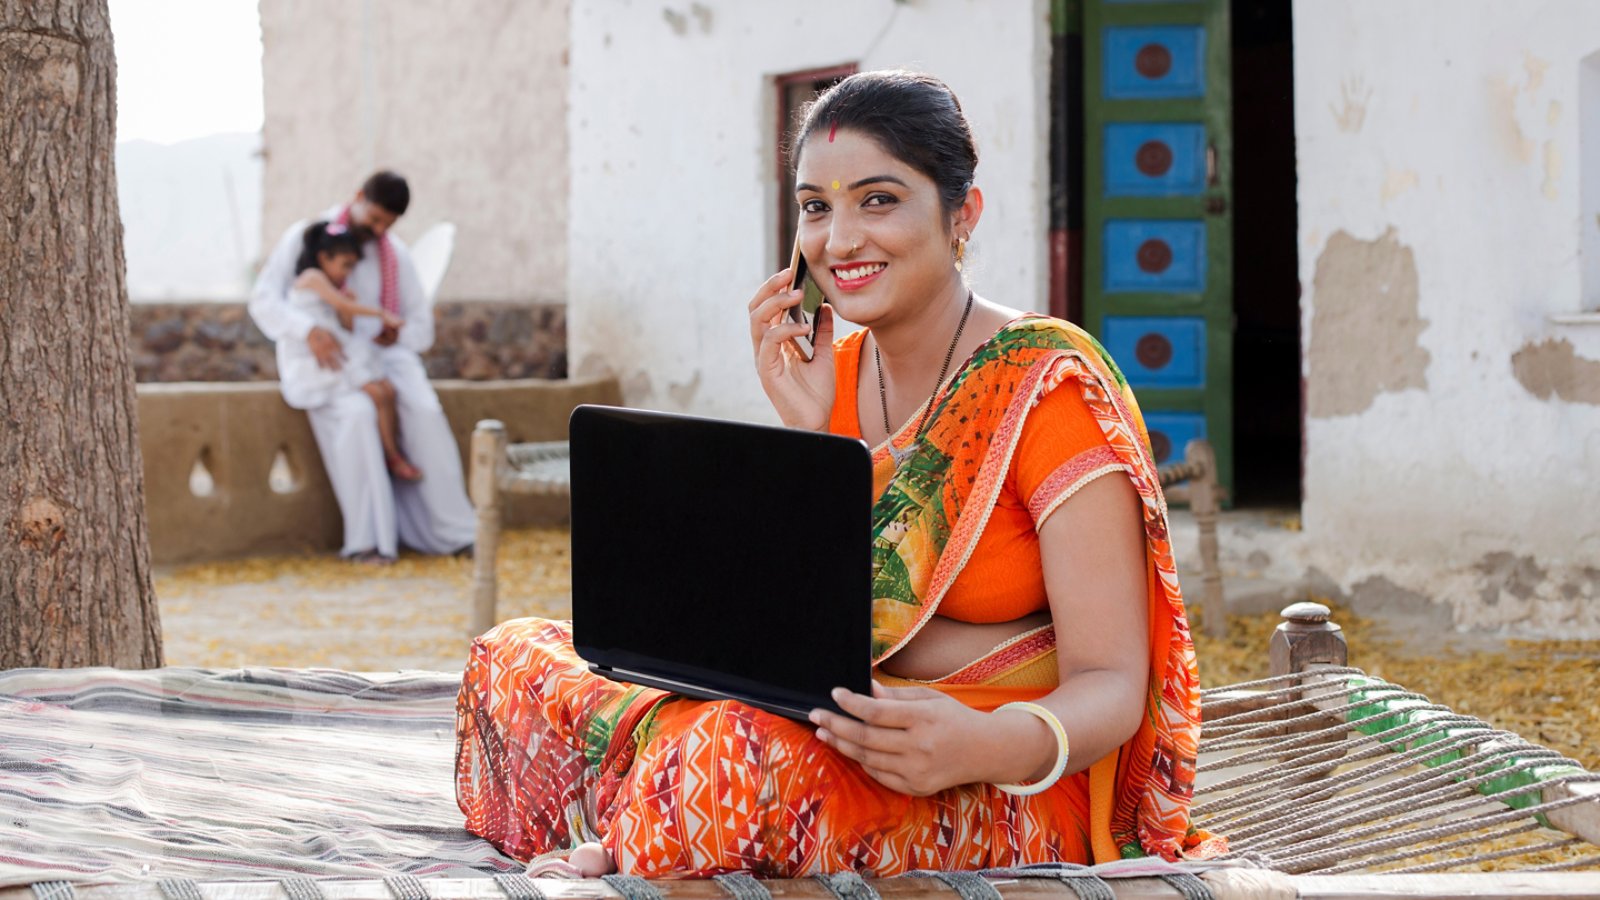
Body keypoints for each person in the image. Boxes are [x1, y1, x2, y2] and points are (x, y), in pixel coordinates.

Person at [455, 71, 1219, 876]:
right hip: (835, 726)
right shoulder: (834, 373)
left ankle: (640, 832)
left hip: (1001, 775)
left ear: (963, 215)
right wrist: (809, 435)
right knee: (513, 659)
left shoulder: (1047, 387)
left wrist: (977, 742)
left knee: (731, 755)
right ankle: (657, 819)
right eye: (816, 207)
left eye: (878, 200)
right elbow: (799, 632)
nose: (840, 240)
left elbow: (1111, 684)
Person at [251, 171, 475, 563]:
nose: (378, 229)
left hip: (382, 359)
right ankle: (370, 542)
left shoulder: (396, 255)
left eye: (387, 225)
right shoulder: (305, 237)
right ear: (357, 197)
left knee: (423, 411)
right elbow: (265, 300)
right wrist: (308, 331)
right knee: (356, 417)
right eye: (374, 219)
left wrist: (395, 336)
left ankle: (452, 535)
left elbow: (419, 326)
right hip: (326, 362)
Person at [282, 221, 421, 483]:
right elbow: (338, 304)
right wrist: (380, 313)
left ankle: (392, 452)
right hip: (331, 359)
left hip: (343, 347)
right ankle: (391, 455)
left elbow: (345, 323)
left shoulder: (333, 288)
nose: (347, 273)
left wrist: (349, 310)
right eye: (345, 265)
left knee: (388, 391)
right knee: (376, 394)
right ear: (324, 257)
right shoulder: (312, 278)